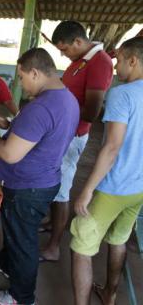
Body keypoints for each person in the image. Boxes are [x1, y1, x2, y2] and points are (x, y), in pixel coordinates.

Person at [0, 48, 79, 305]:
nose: (21, 85)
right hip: (45, 179)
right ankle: (6, 262)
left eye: (22, 77)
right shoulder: (66, 98)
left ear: (35, 73)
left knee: (23, 242)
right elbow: (41, 133)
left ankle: (21, 298)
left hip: (27, 187)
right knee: (16, 233)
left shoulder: (41, 107)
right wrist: (11, 125)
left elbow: (10, 154)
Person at [71, 37, 143, 305]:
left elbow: (112, 148)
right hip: (139, 187)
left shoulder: (122, 94)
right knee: (119, 238)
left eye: (120, 61)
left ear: (133, 60)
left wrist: (87, 191)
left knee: (81, 246)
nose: (116, 67)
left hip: (115, 185)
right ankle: (109, 294)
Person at [40, 20, 114, 262]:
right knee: (54, 182)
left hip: (73, 135)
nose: (63, 54)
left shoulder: (99, 63)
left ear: (79, 42)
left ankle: (53, 248)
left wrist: (59, 113)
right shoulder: (78, 62)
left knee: (62, 190)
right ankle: (53, 223)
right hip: (63, 132)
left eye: (65, 49)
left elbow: (92, 111)